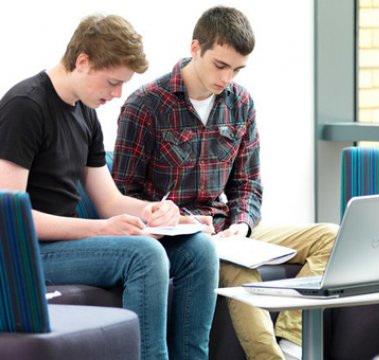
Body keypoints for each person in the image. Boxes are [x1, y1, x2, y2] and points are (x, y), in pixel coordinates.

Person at [111, 6, 337, 360]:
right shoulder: (145, 105)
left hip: (227, 231)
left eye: (237, 69)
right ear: (195, 47)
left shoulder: (241, 103)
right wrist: (181, 220)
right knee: (235, 267)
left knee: (330, 236)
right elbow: (123, 193)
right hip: (177, 238)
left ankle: (292, 340)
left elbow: (248, 184)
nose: (227, 78)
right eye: (220, 65)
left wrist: (243, 224)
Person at [0, 15, 218, 360]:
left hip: (72, 244)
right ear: (83, 62)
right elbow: (10, 220)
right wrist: (102, 230)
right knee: (144, 255)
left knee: (199, 249)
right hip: (31, 252)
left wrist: (155, 213)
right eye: (113, 82)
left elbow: (109, 201)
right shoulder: (25, 107)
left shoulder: (85, 112)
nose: (117, 95)